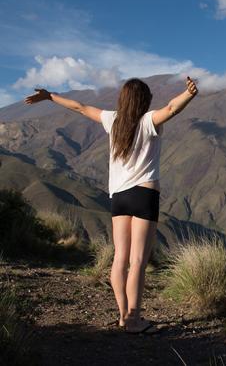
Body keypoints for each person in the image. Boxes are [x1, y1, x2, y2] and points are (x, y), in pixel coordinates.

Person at [24, 76, 199, 334]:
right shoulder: (148, 121)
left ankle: (122, 315)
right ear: (145, 100)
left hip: (118, 197)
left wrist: (50, 96)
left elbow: (80, 107)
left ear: (123, 99)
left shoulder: (112, 121)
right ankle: (135, 320)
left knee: (120, 258)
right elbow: (172, 108)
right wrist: (190, 94)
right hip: (144, 194)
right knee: (138, 260)